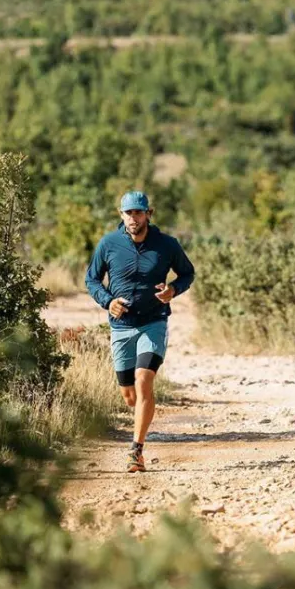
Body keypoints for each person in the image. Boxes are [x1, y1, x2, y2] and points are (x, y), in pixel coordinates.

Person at [85, 191, 195, 472]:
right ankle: (140, 422)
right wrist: (108, 302)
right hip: (121, 327)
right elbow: (92, 279)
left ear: (149, 213)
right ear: (121, 215)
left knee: (144, 381)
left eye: (138, 212)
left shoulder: (166, 245)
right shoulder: (109, 244)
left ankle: (136, 450)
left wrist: (173, 290)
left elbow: (187, 273)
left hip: (153, 322)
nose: (133, 218)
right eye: (128, 213)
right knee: (130, 396)